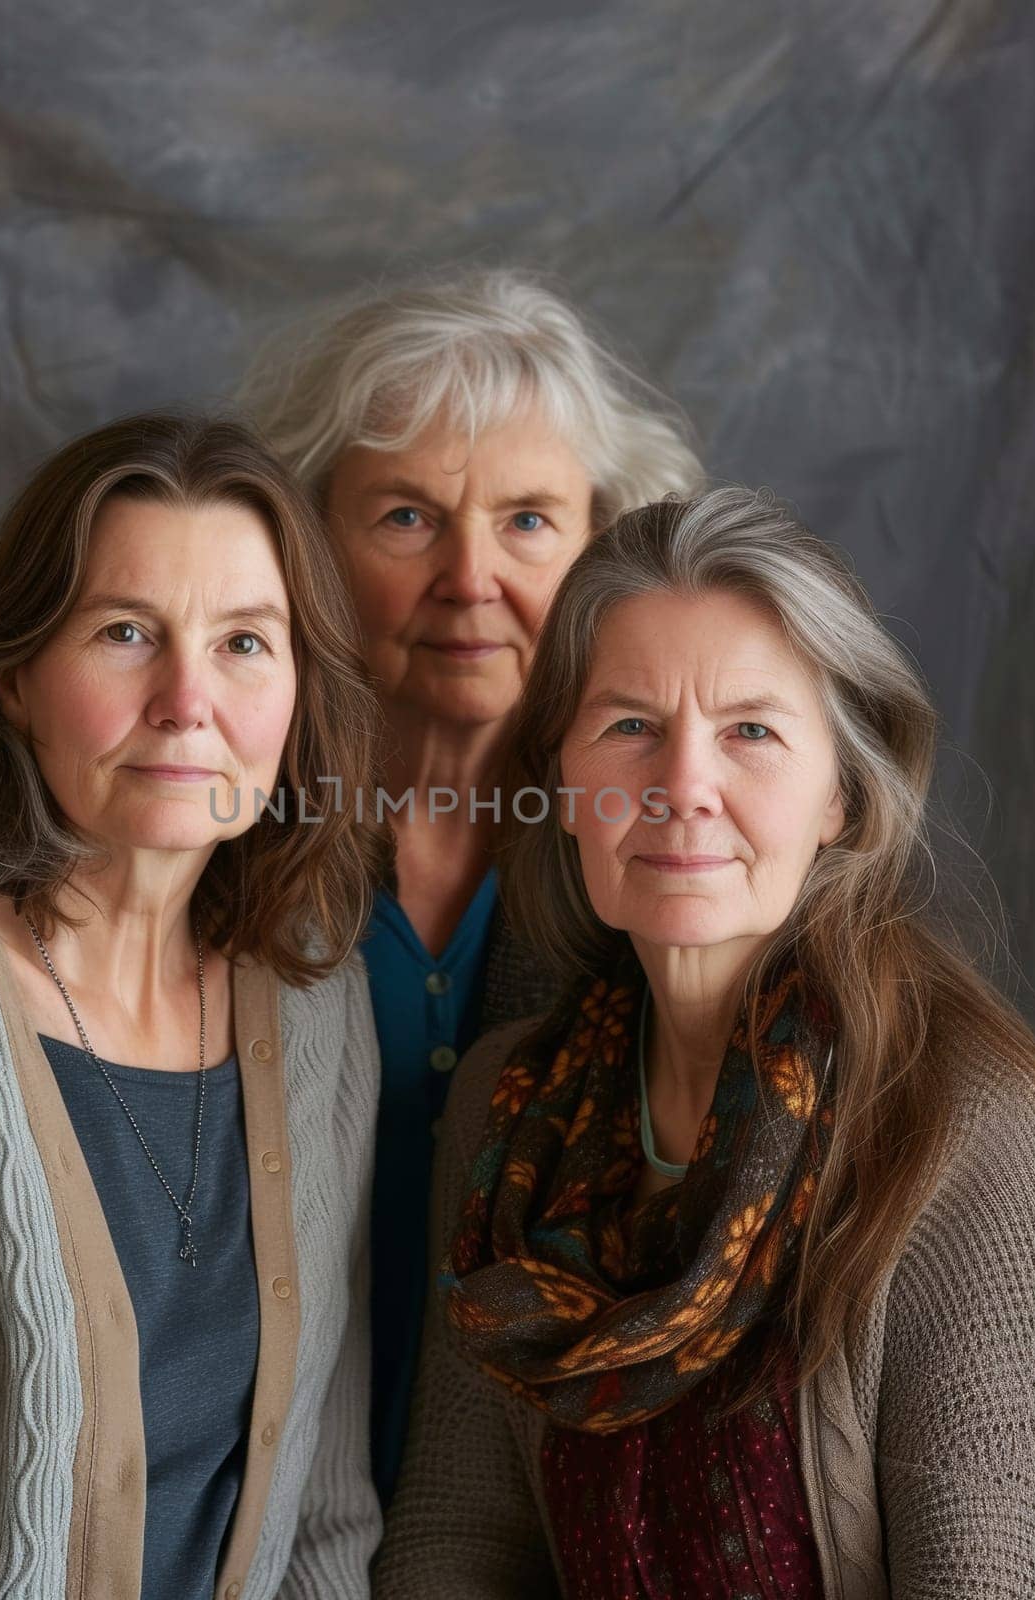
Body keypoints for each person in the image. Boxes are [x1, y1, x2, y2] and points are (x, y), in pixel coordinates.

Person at [374, 486, 1035, 1597]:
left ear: (840, 795)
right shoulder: (508, 1103)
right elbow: (456, 1534)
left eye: (750, 733)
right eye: (629, 726)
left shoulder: (962, 1120)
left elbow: (978, 1575)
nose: (683, 788)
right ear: (561, 782)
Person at [0, 414, 389, 1600]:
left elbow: (326, 1518)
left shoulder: (315, 1000)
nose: (188, 700)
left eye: (244, 641)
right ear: (19, 683)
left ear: (297, 698)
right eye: (125, 632)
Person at [240, 268, 705, 1506]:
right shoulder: (215, 845)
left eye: (526, 521)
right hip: (249, 1521)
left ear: (603, 545)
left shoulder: (673, 869)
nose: (469, 576)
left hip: (543, 1519)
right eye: (405, 517)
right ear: (307, 543)